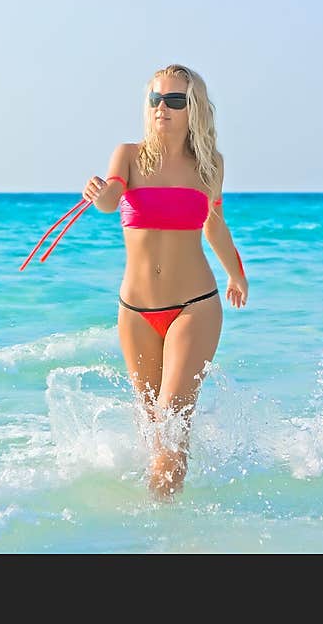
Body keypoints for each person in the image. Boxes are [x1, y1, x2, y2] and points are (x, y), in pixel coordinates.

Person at [82, 64, 249, 499]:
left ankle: (165, 527)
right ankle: (158, 529)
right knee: (154, 427)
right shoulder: (130, 155)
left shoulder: (210, 165)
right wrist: (100, 194)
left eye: (175, 100)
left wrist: (237, 273)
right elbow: (110, 199)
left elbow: (215, 226)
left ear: (193, 108)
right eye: (156, 99)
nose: (163, 108)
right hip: (135, 311)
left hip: (195, 305)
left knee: (173, 420)